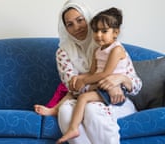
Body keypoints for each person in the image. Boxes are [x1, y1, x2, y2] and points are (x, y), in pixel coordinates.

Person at [34, 0, 142, 144]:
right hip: (82, 97)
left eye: (80, 20)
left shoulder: (112, 46)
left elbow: (136, 84)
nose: (76, 27)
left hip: (116, 101)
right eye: (70, 24)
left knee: (92, 109)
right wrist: (103, 84)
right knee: (65, 111)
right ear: (64, 28)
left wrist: (119, 79)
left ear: (88, 18)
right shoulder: (63, 53)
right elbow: (74, 87)